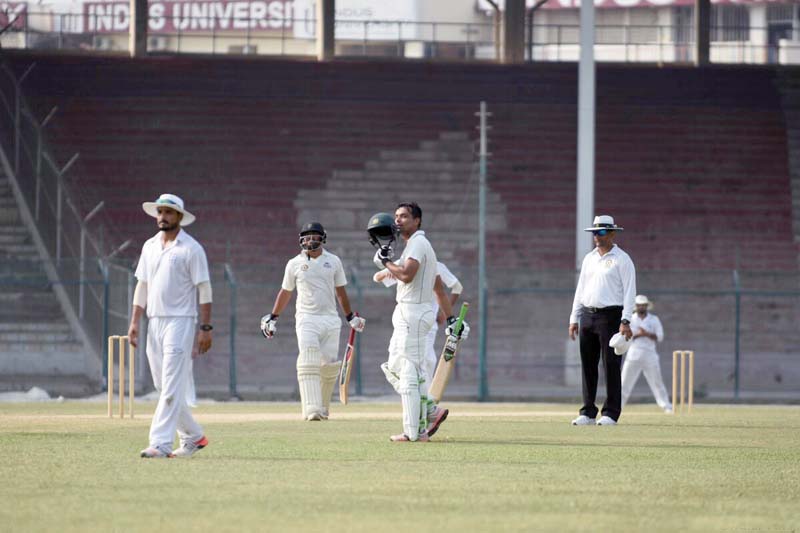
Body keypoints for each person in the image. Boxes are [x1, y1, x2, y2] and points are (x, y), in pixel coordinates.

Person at [370, 203, 469, 442]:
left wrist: (386, 263)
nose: (398, 220)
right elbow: (437, 288)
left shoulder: (418, 243)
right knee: (392, 366)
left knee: (409, 373)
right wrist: (451, 318)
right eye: (396, 216)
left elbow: (406, 275)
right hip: (407, 312)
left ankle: (414, 432)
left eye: (404, 216)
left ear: (417, 221)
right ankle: (430, 411)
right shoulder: (412, 248)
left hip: (414, 314)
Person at [128, 193, 212, 458]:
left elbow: (205, 289)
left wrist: (205, 328)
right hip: (155, 321)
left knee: (171, 385)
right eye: (160, 212)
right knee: (163, 386)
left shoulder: (191, 248)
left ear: (179, 217)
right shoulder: (149, 246)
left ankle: (160, 443)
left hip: (181, 321)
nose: (163, 217)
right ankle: (195, 437)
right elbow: (142, 285)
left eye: (168, 213)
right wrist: (134, 322)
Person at [260, 222, 365, 421]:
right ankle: (311, 409)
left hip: (331, 319)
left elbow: (341, 292)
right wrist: (273, 317)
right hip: (306, 318)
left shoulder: (333, 261)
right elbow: (286, 291)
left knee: (328, 366)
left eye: (314, 236)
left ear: (322, 238)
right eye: (306, 237)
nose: (309, 240)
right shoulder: (294, 263)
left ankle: (323, 408)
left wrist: (350, 316)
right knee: (309, 359)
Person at [374, 261, 462, 435]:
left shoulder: (421, 265)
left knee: (410, 371)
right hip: (419, 323)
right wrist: (389, 272)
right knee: (413, 371)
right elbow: (377, 277)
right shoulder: (415, 265)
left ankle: (422, 420)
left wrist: (445, 314)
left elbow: (455, 288)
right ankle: (426, 413)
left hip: (415, 323)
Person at [568, 215, 636, 426]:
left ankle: (611, 412)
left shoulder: (622, 259)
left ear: (612, 233)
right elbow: (581, 289)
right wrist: (574, 318)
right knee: (588, 364)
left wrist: (625, 320)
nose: (597, 236)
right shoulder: (589, 258)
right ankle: (588, 411)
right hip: (588, 314)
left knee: (611, 365)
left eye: (602, 232)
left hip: (611, 315)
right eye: (595, 233)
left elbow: (629, 292)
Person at [621, 295, 672, 413]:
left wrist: (647, 334)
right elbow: (627, 337)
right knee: (624, 382)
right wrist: (640, 334)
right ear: (636, 306)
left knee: (657, 381)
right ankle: (618, 406)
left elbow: (660, 337)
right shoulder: (630, 320)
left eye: (644, 305)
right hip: (634, 354)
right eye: (639, 305)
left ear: (647, 306)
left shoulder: (654, 319)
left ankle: (666, 406)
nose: (641, 307)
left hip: (650, 354)